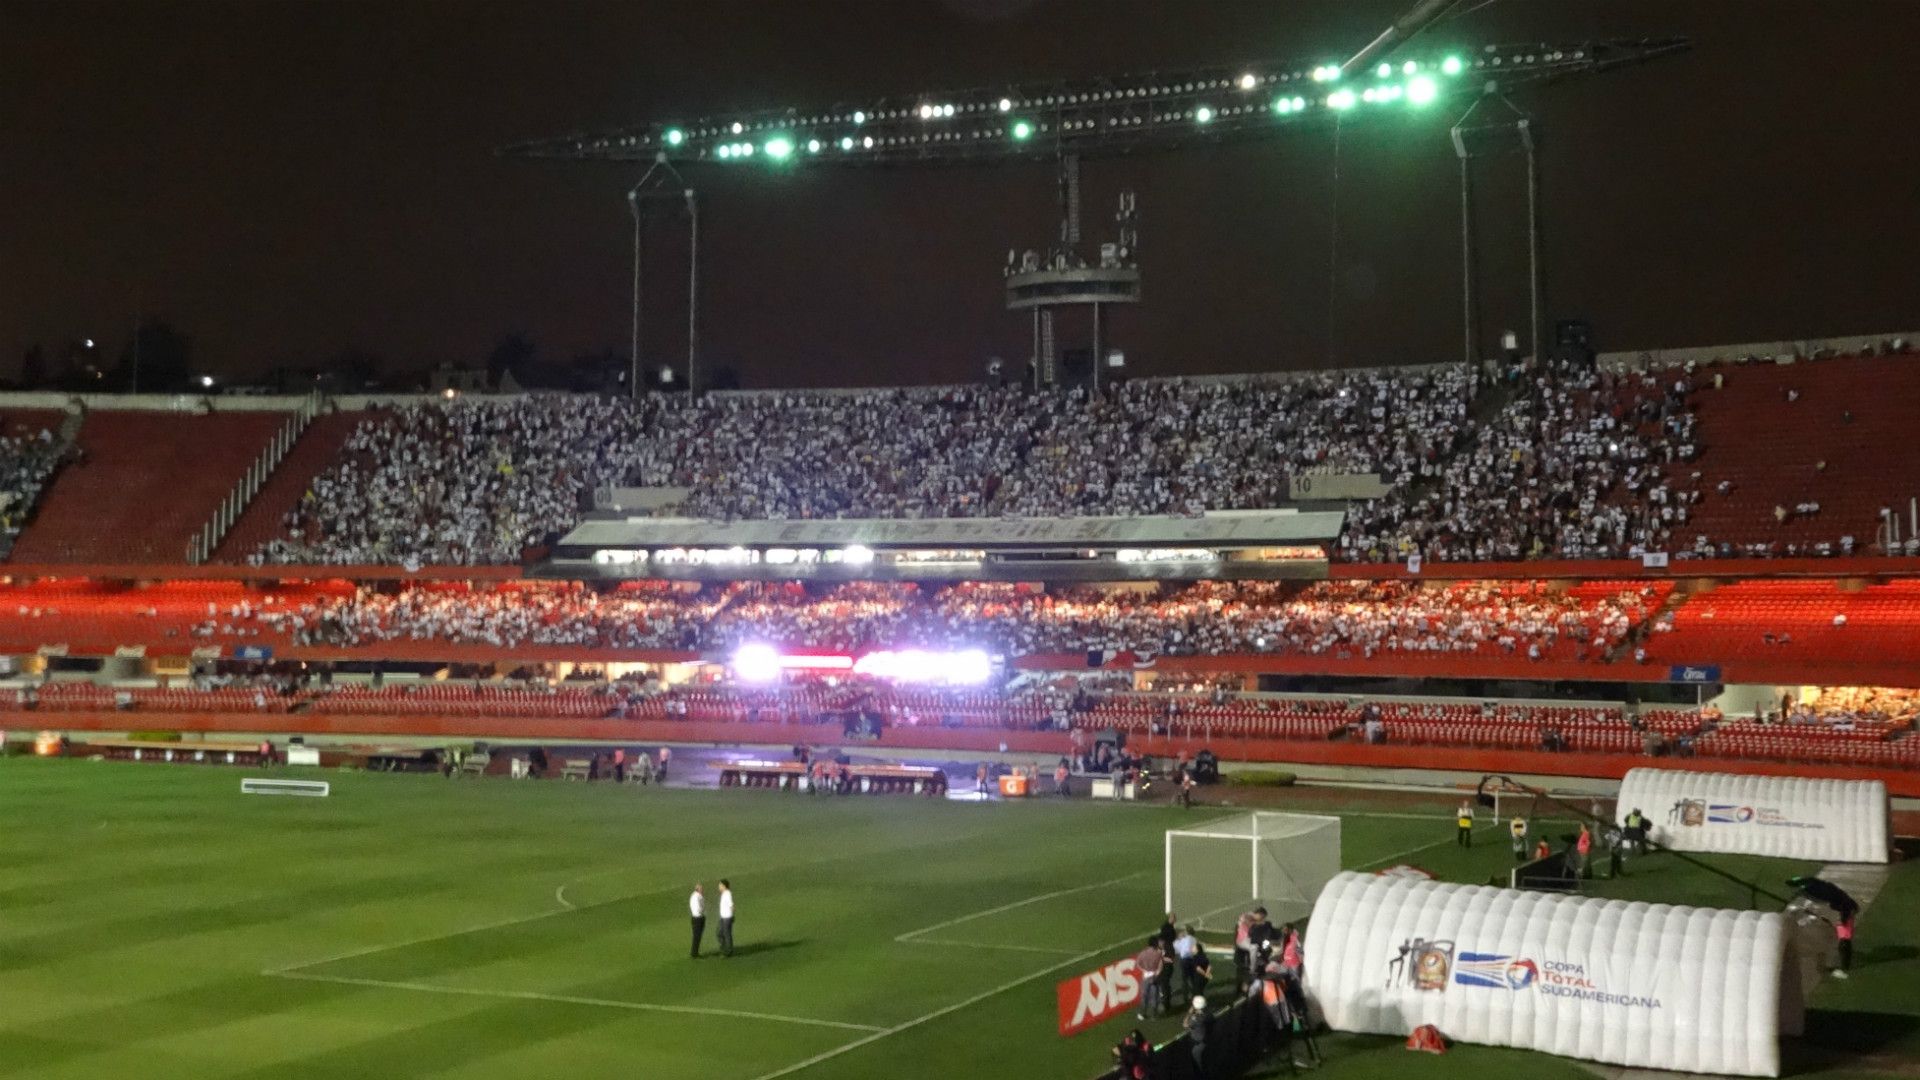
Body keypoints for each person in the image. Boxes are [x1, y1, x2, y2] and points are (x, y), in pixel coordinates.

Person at [1134, 937, 1166, 1019]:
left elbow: (1138, 964)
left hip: (1146, 976)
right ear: (1155, 944)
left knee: (1144, 996)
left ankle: (1142, 1013)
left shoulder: (1143, 953)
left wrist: (1144, 970)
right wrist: (1156, 974)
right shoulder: (1158, 954)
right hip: (1154, 976)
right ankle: (1154, 1015)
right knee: (1154, 995)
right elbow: (1160, 967)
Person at [1184, 996, 1211, 1079]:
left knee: (1198, 1065)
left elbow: (1185, 1024)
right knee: (1206, 1062)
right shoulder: (1208, 1015)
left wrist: (1189, 1013)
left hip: (1198, 1045)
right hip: (1207, 1041)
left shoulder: (1196, 1018)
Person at [717, 879, 735, 958]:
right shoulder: (724, 894)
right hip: (723, 917)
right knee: (719, 933)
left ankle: (728, 951)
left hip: (727, 918)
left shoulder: (727, 894)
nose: (719, 887)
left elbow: (732, 906)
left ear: (724, 886)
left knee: (726, 934)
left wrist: (731, 916)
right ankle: (725, 948)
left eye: (720, 886)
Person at [1834, 913, 1855, 979]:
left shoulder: (1839, 926)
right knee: (1848, 955)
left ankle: (1843, 971)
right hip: (1848, 942)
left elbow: (1836, 924)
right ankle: (1846, 968)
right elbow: (1851, 917)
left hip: (1842, 942)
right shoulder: (1849, 923)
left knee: (1843, 956)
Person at [688, 883, 706, 959]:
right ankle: (694, 953)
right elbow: (699, 908)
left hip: (696, 917)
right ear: (698, 889)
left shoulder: (694, 896)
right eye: (701, 889)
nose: (703, 890)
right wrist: (702, 910)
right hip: (698, 918)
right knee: (697, 936)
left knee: (697, 936)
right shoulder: (697, 896)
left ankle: (695, 952)